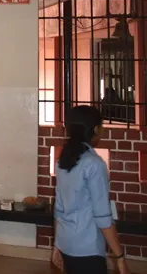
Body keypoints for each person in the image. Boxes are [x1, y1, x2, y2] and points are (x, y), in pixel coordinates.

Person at [52, 105, 130, 274]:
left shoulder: (62, 161)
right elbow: (102, 216)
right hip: (87, 248)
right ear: (95, 129)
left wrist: (57, 245)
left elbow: (59, 209)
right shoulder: (94, 164)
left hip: (66, 243)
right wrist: (120, 256)